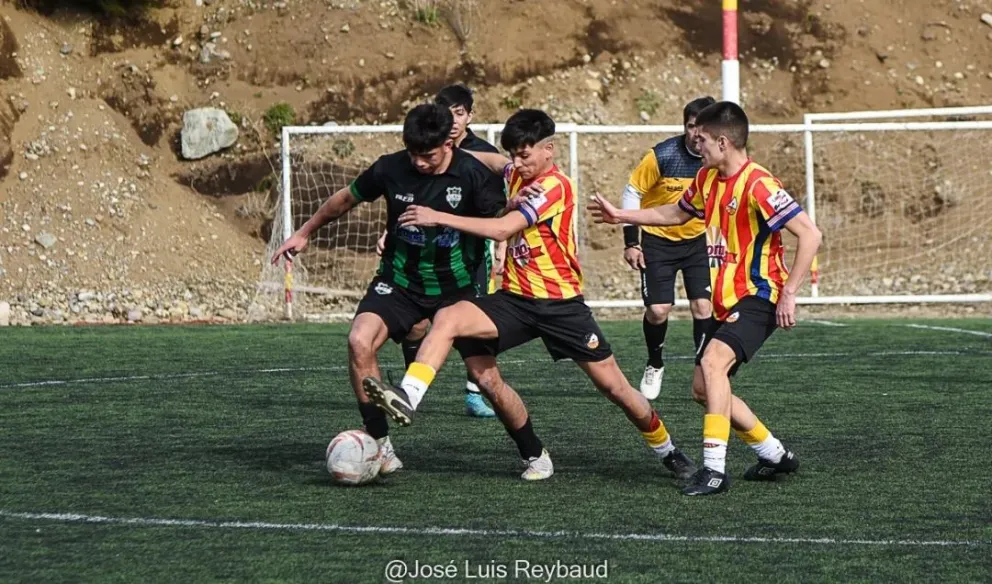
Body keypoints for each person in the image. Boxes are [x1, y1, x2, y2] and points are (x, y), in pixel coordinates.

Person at [362, 109, 696, 482]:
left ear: (549, 149)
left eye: (525, 155)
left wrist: (439, 216)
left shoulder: (554, 186)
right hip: (516, 301)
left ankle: (669, 451)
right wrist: (456, 143)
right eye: (514, 156)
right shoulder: (514, 173)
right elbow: (490, 160)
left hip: (561, 306)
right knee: (450, 317)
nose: (518, 164)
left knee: (616, 389)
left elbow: (504, 230)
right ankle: (409, 396)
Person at [590, 101, 822, 496]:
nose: (696, 144)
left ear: (723, 141)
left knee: (714, 363)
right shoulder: (706, 179)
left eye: (703, 139)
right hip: (725, 299)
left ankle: (714, 470)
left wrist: (789, 293)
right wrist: (622, 218)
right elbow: (674, 214)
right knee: (703, 388)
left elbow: (810, 234)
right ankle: (775, 454)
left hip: (759, 294)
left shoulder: (759, 184)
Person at [272, 103, 506, 474]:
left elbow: (500, 223)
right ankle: (379, 444)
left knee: (485, 379)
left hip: (457, 287)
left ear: (449, 144)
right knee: (358, 341)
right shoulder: (390, 167)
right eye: (412, 154)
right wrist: (304, 233)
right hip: (398, 281)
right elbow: (345, 199)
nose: (418, 163)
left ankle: (531, 452)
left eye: (427, 155)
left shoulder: (473, 174)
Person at [376, 84, 504, 419]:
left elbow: (499, 199)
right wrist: (389, 233)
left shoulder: (478, 154)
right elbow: (406, 197)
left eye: (460, 113)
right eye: (449, 113)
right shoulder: (421, 151)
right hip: (421, 256)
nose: (454, 120)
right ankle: (412, 387)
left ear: (469, 116)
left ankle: (475, 393)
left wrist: (502, 248)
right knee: (418, 325)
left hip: (469, 254)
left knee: (471, 323)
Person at [621, 96, 715, 400]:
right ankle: (655, 362)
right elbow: (632, 191)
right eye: (691, 127)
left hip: (697, 242)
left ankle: (703, 368)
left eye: (703, 129)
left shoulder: (716, 158)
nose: (696, 135)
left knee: (703, 307)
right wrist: (631, 242)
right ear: (684, 126)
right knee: (658, 310)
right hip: (657, 241)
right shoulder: (662, 155)